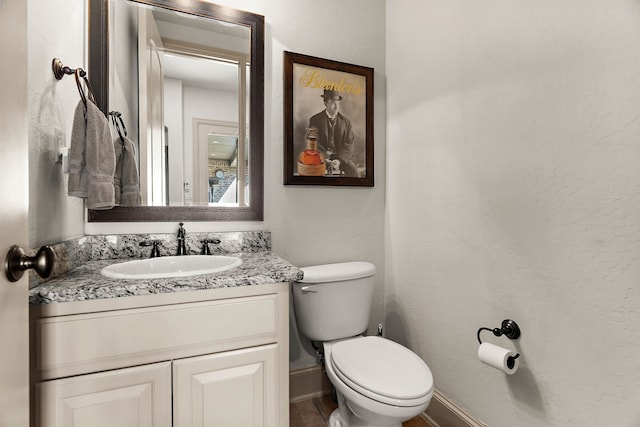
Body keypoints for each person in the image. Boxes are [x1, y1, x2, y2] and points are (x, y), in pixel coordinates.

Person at [308, 89, 359, 177]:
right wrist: (324, 157)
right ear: (325, 103)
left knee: (354, 172)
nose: (336, 107)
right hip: (321, 157)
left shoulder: (346, 122)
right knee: (310, 174)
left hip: (341, 158)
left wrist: (339, 160)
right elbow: (313, 142)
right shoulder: (315, 120)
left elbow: (349, 144)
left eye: (338, 104)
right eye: (333, 103)